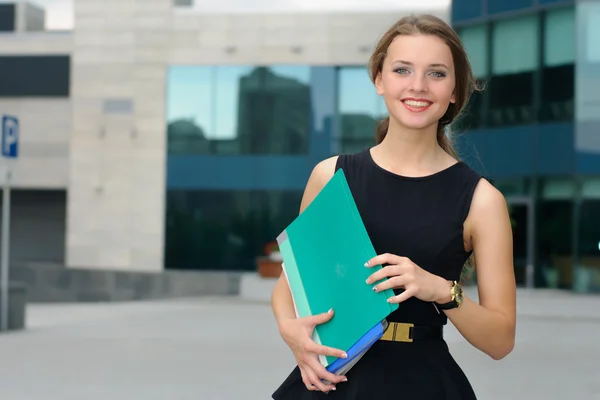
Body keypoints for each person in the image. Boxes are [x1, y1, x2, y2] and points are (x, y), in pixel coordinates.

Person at [270, 13, 516, 400]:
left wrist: (440, 290)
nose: (418, 86)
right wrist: (291, 331)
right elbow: (290, 287)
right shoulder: (331, 176)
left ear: (455, 91)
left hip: (423, 385)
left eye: (436, 73)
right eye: (403, 70)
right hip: (333, 381)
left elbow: (501, 340)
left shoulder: (482, 201)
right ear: (380, 80)